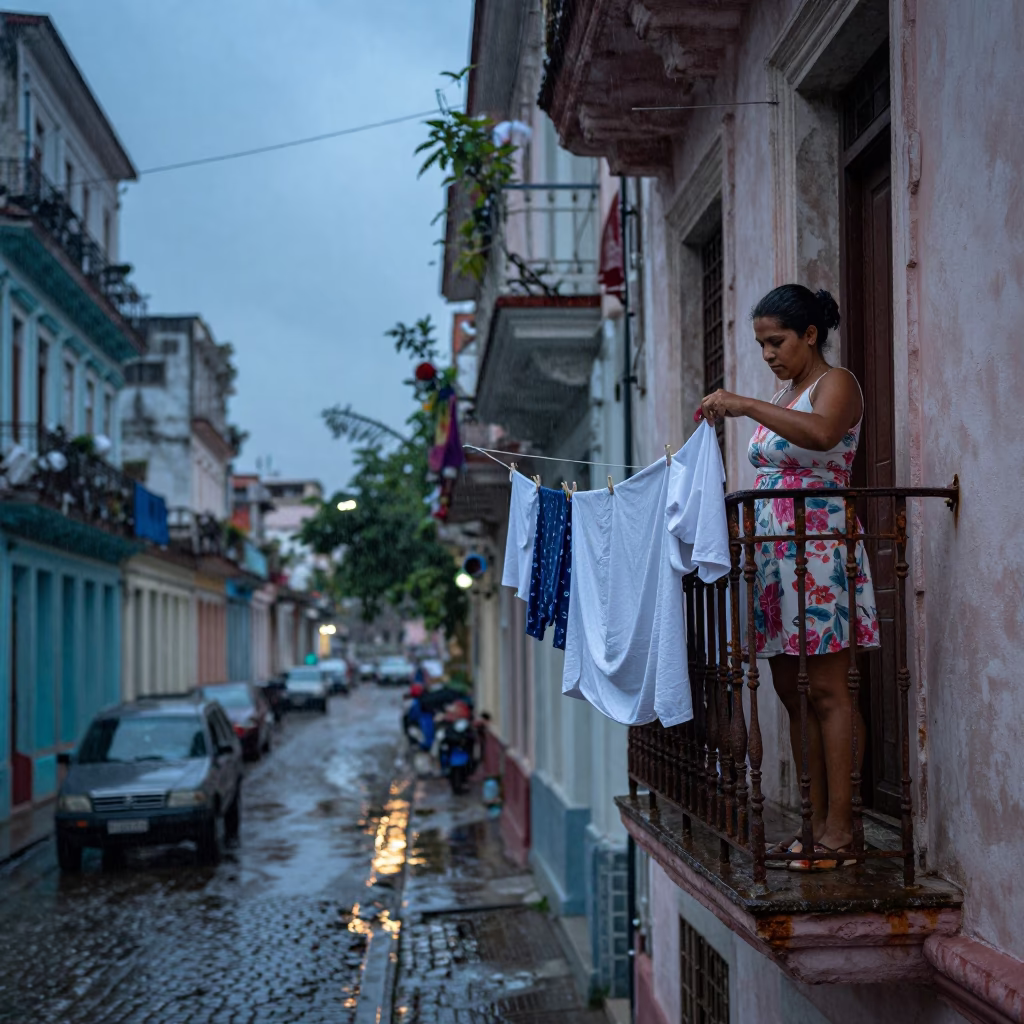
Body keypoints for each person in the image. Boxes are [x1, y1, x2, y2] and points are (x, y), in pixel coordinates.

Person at [700, 284, 880, 871]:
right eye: (761, 344)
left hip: (819, 550)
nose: (768, 354)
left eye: (776, 341)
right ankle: (813, 824)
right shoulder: (785, 392)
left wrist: (746, 405)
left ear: (809, 334)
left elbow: (823, 435)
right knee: (790, 692)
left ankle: (841, 832)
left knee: (829, 691)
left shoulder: (837, 383)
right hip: (776, 558)